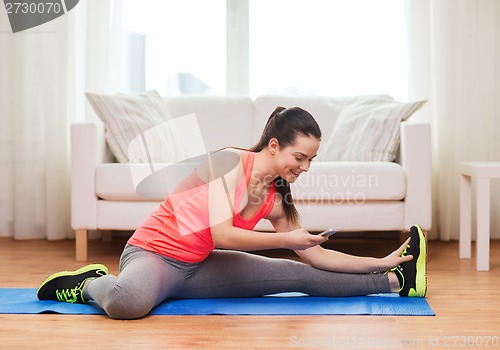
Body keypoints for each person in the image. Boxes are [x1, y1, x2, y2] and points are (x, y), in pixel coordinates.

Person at [37, 106, 427, 320]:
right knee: (127, 304)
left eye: (311, 159)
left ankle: (394, 282)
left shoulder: (277, 198)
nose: (305, 167)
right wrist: (287, 239)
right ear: (273, 146)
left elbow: (317, 256)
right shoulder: (226, 163)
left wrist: (379, 261)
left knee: (299, 274)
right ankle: (89, 283)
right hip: (154, 255)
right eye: (299, 157)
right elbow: (221, 233)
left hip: (201, 265)